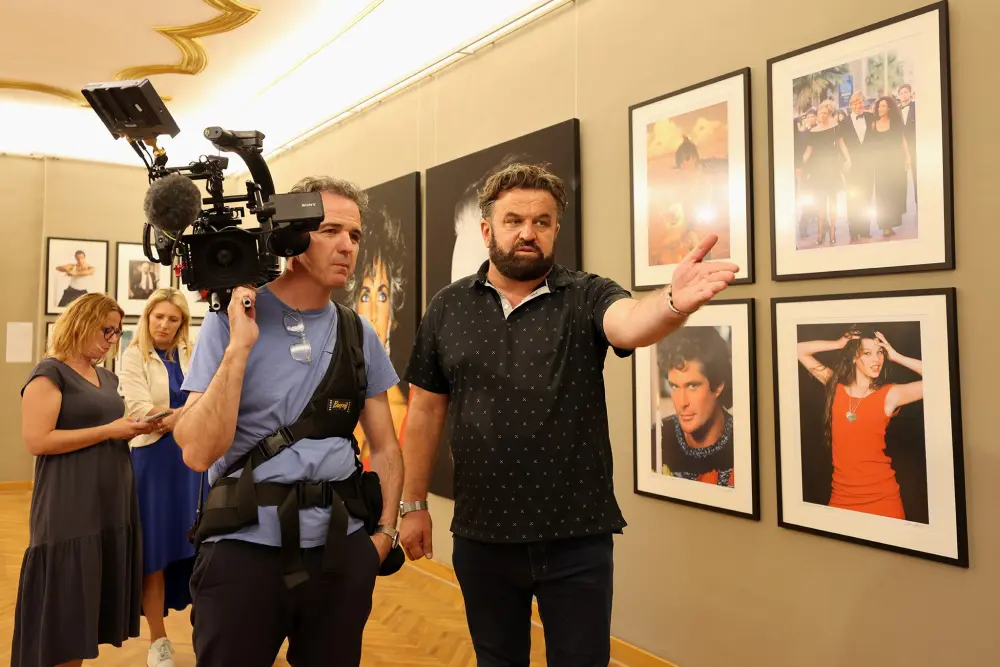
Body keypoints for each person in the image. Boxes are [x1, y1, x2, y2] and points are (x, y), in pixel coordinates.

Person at [398, 162, 738, 666]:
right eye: (514, 221)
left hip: (576, 537)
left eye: (542, 222)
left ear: (556, 229)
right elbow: (425, 410)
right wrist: (412, 504)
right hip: (483, 535)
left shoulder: (586, 294)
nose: (528, 233)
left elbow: (629, 325)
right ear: (488, 230)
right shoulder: (449, 307)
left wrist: (671, 303)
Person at [172, 175, 404, 666]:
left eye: (355, 235)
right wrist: (239, 346)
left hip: (341, 551)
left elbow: (384, 447)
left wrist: (382, 538)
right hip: (243, 550)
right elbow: (196, 450)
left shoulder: (357, 332)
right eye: (330, 231)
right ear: (293, 237)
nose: (347, 246)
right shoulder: (230, 320)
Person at [12, 292, 161, 667]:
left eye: (117, 332)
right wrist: (109, 431)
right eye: (106, 330)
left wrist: (130, 429)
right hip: (70, 501)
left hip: (109, 500)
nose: (112, 339)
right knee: (65, 610)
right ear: (81, 323)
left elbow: (108, 427)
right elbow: (37, 440)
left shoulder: (107, 377)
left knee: (83, 616)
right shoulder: (50, 372)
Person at [117, 287, 199, 667]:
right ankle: (158, 641)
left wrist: (177, 414)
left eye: (173, 319)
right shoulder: (132, 356)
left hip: (194, 461)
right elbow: (140, 415)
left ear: (182, 323)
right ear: (146, 318)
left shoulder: (194, 353)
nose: (164, 325)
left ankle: (211, 629)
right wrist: (190, 411)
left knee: (203, 548)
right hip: (152, 462)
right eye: (158, 317)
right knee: (156, 552)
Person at [797, 326, 924, 520]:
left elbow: (942, 377)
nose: (877, 360)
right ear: (854, 357)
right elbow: (798, 350)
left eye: (880, 353)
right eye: (867, 353)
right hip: (841, 498)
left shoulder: (889, 395)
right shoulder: (835, 386)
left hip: (882, 499)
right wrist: (839, 344)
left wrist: (896, 355)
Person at [342, 205, 410, 468]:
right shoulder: (339, 399)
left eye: (382, 295)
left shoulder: (406, 414)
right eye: (364, 295)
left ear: (392, 314)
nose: (372, 312)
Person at [655, 326, 734, 486]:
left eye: (693, 386)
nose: (682, 402)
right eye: (675, 386)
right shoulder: (655, 438)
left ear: (718, 385)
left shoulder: (744, 442)